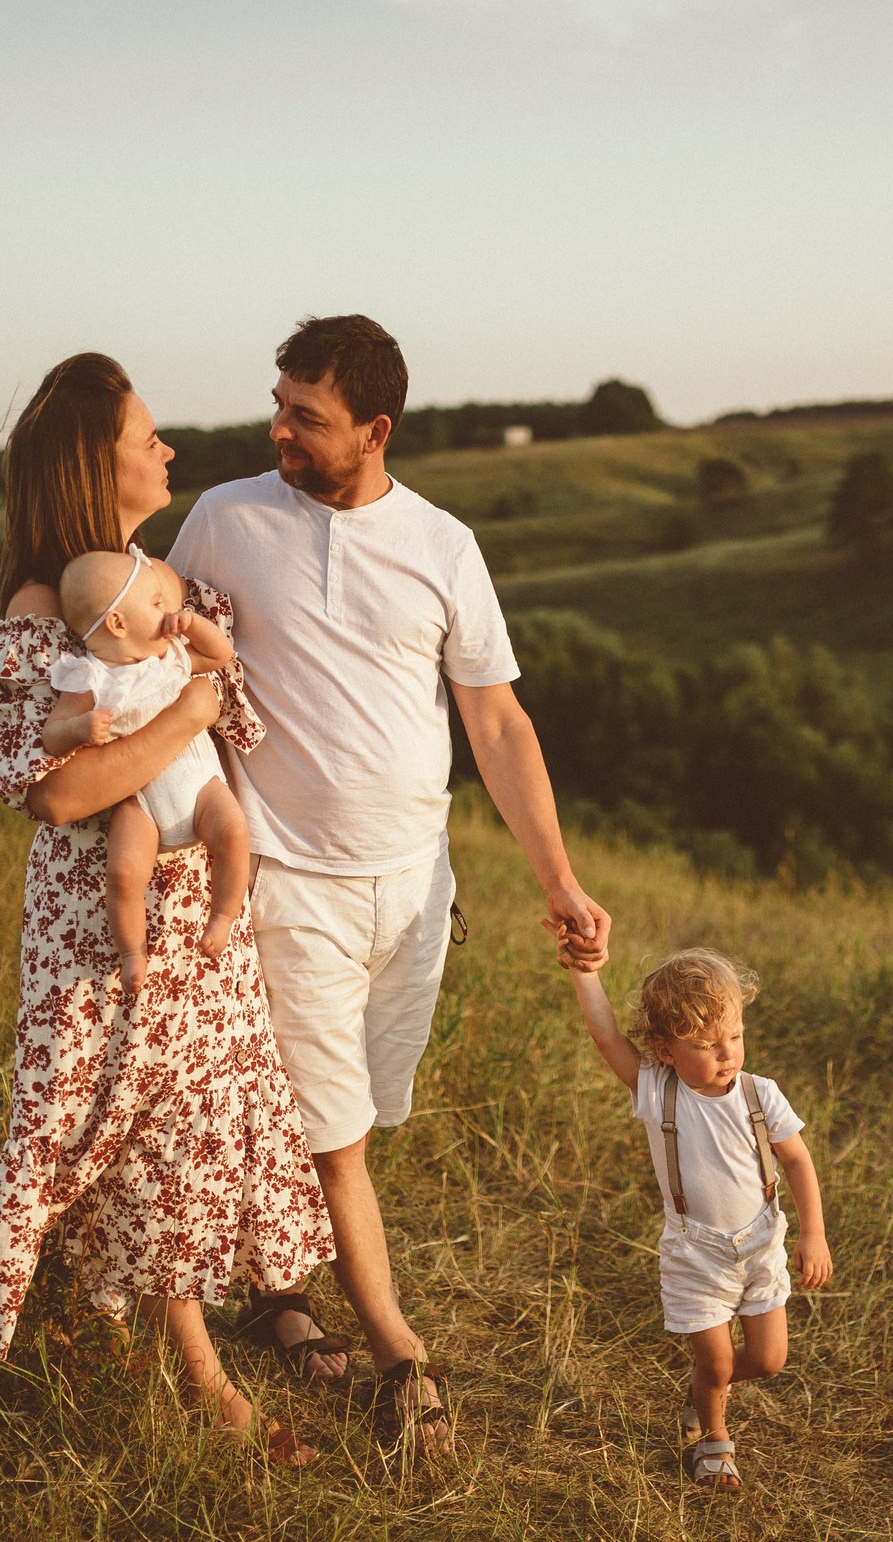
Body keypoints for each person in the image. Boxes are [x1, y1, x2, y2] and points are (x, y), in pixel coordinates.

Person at [167, 314, 611, 1447]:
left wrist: (555, 878)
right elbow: (153, 647)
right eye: (279, 406)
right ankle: (398, 1352)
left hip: (416, 885)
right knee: (336, 1135)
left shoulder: (444, 546)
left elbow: (497, 723)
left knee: (362, 1109)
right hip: (285, 876)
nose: (281, 430)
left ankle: (277, 1288)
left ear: (374, 429)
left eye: (306, 419)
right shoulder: (224, 520)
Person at [0, 350, 335, 1466]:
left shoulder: (149, 582)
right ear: (96, 465)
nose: (167, 450)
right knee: (113, 1134)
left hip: (195, 916)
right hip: (106, 931)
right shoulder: (48, 608)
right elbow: (57, 789)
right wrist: (186, 712)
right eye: (146, 437)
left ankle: (161, 1351)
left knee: (174, 1139)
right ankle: (193, 1376)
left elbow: (238, 713)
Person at [562, 946, 832, 1489]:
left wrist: (814, 1233)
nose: (726, 1053)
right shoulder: (656, 1091)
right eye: (706, 1045)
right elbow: (607, 1037)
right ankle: (712, 1437)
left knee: (769, 1359)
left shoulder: (761, 1095)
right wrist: (584, 974)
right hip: (695, 1252)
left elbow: (798, 1160)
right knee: (715, 1362)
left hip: (759, 1245)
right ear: (664, 1050)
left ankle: (703, 1385)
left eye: (733, 1035)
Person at [43, 545, 254, 995]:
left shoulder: (173, 656)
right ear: (118, 624)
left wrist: (195, 626)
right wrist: (81, 727)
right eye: (157, 603)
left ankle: (222, 916)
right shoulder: (88, 678)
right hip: (140, 799)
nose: (169, 611)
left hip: (198, 781)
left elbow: (220, 656)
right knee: (122, 873)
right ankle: (132, 952)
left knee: (234, 831)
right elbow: (51, 735)